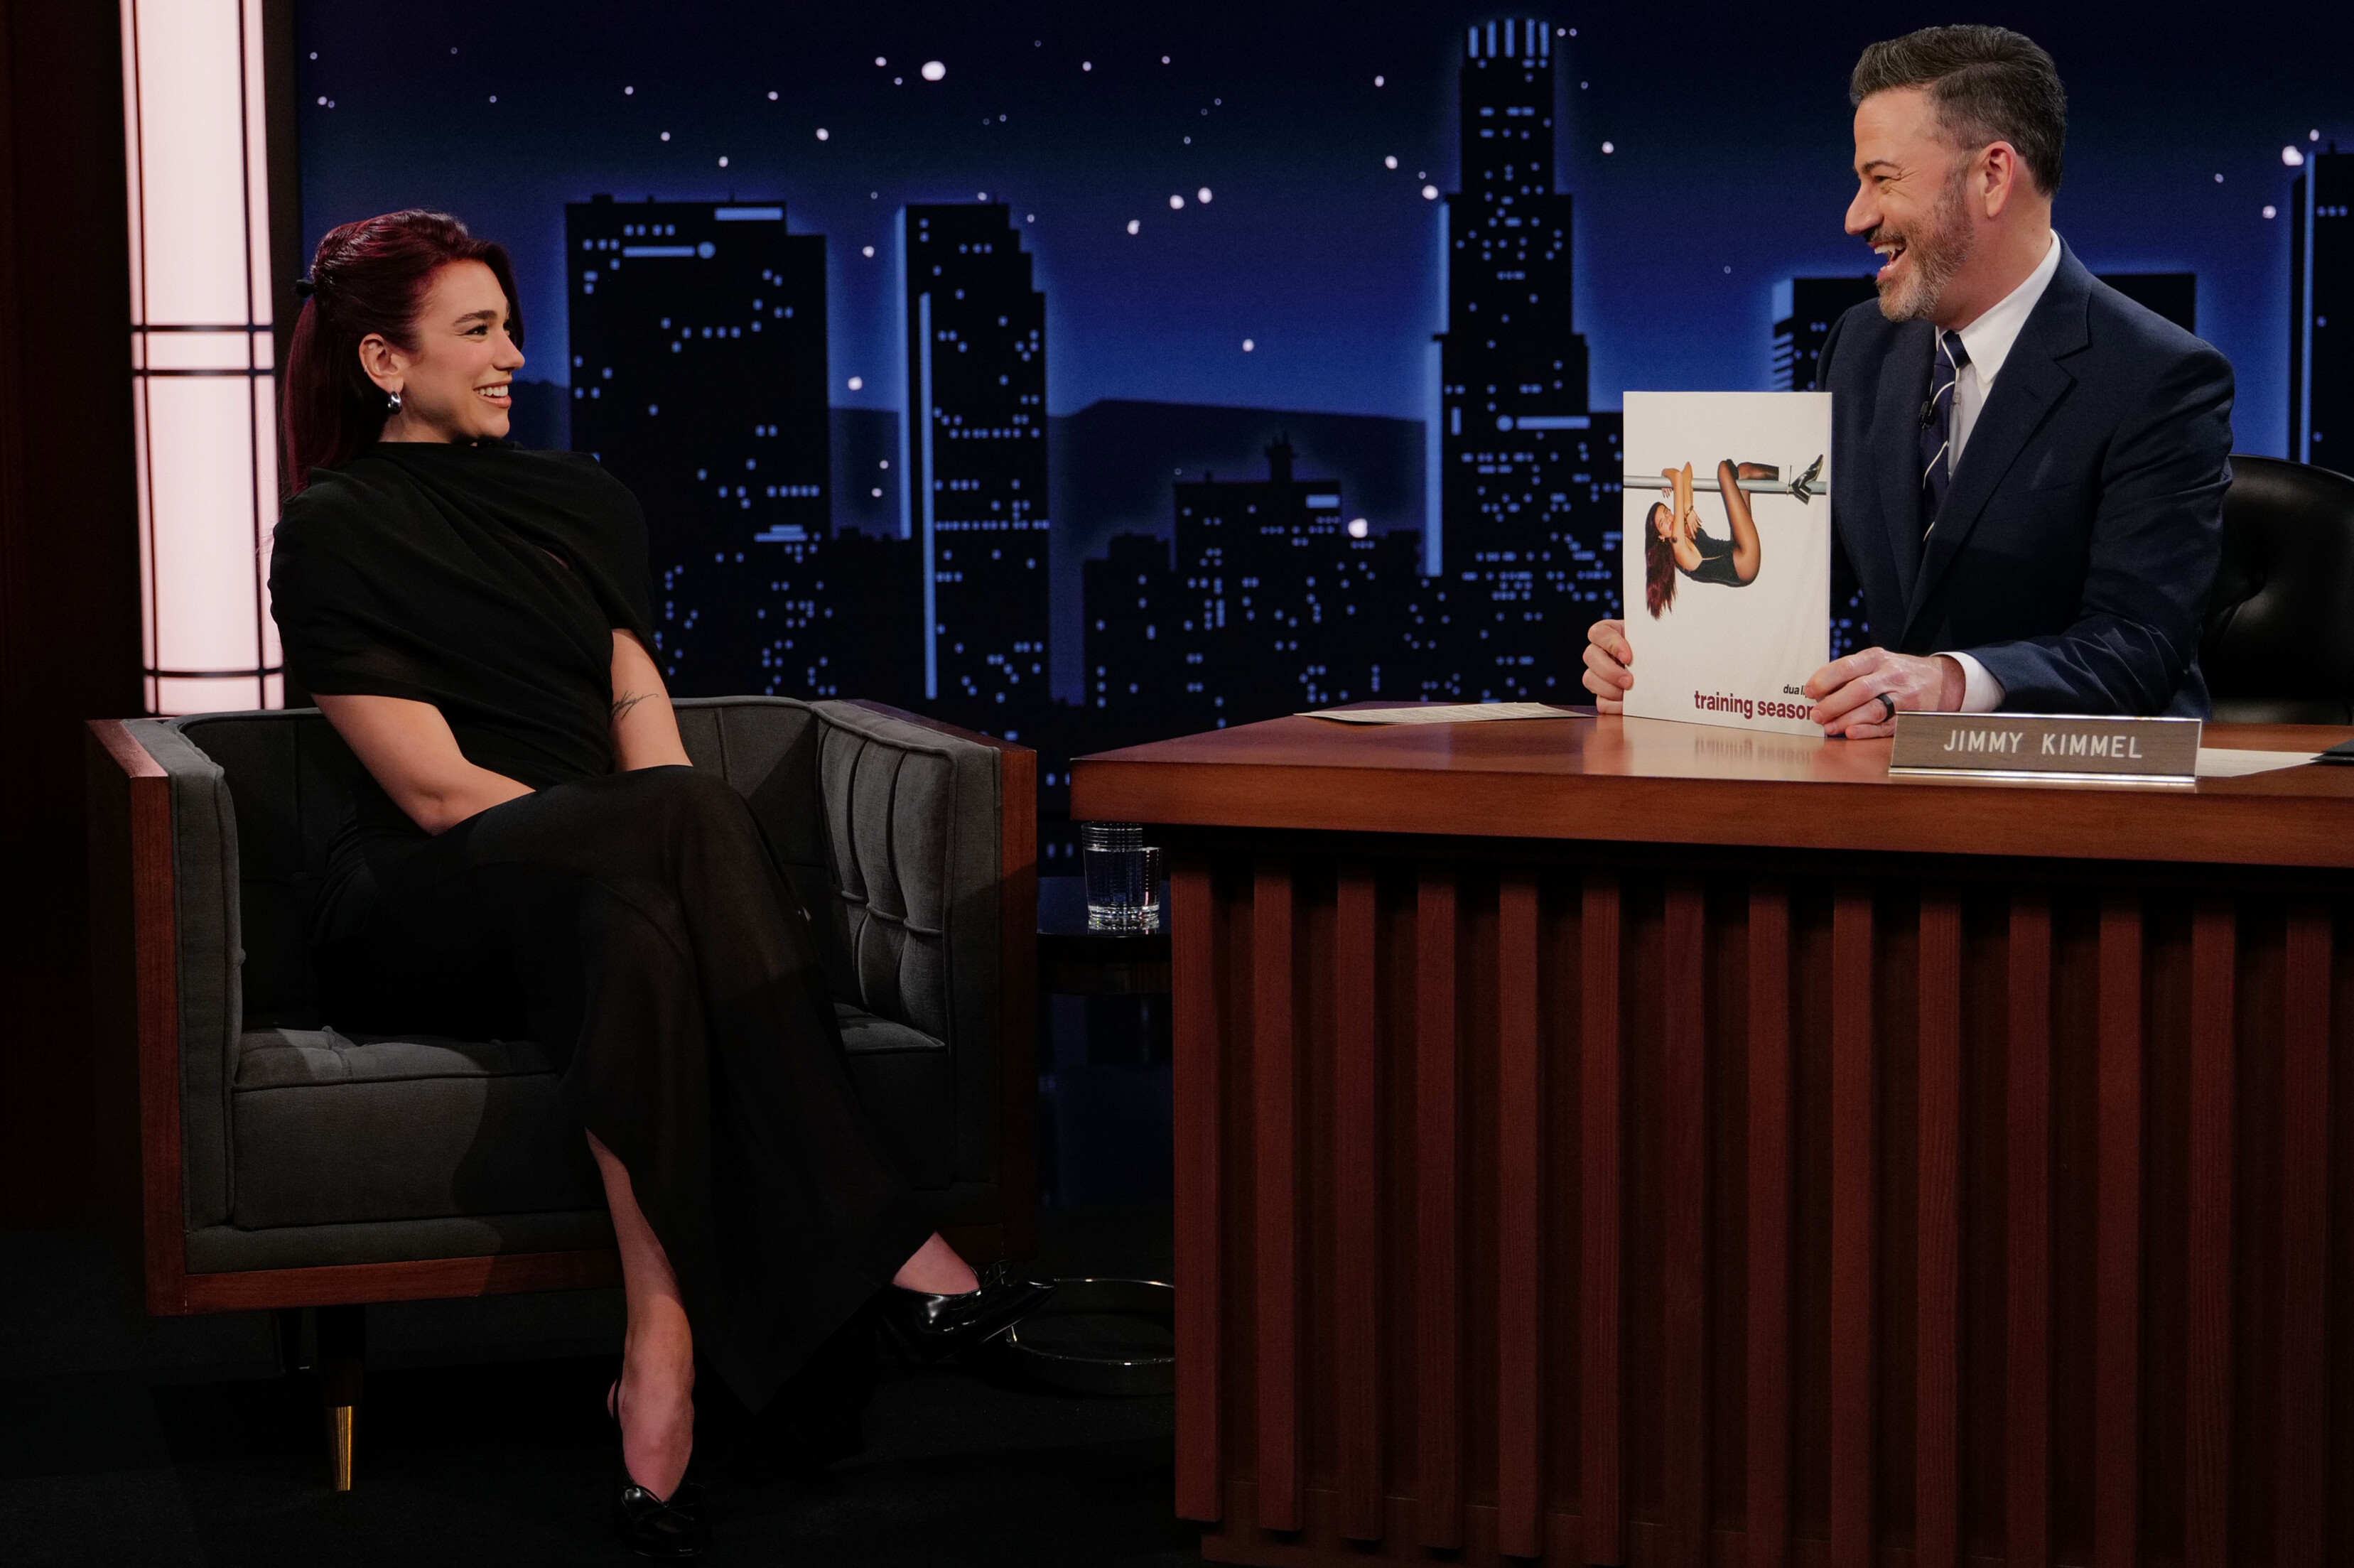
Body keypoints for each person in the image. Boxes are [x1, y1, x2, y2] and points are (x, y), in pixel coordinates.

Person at [266, 210, 1052, 1560]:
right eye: (477, 331)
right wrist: (653, 836)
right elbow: (436, 791)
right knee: (658, 852)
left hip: (597, 884)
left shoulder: (584, 502)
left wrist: (674, 862)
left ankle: (660, 1350)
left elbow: (640, 710)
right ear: (385, 361)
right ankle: (894, 1253)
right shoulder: (333, 528)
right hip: (424, 894)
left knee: (635, 926)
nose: (514, 355)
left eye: (512, 327)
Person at [1587, 24, 2233, 733]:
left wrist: (1950, 683)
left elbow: (2138, 647)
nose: (1855, 217)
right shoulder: (1859, 346)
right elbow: (1800, 581)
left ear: (1991, 176)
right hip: (1888, 777)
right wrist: (1671, 654)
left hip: (2078, 786)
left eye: (1882, 179)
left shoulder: (2158, 376)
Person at [1642, 460, 1778, 617]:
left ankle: (1790, 476)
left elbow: (1687, 469)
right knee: (1723, 469)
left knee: (1743, 472)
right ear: (1661, 537)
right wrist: (1665, 472)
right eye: (1662, 523)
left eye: (1667, 513)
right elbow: (1678, 477)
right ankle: (1793, 479)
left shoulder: (1683, 528)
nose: (1668, 520)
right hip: (1745, 561)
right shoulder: (1677, 546)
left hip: (1737, 550)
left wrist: (1688, 507)